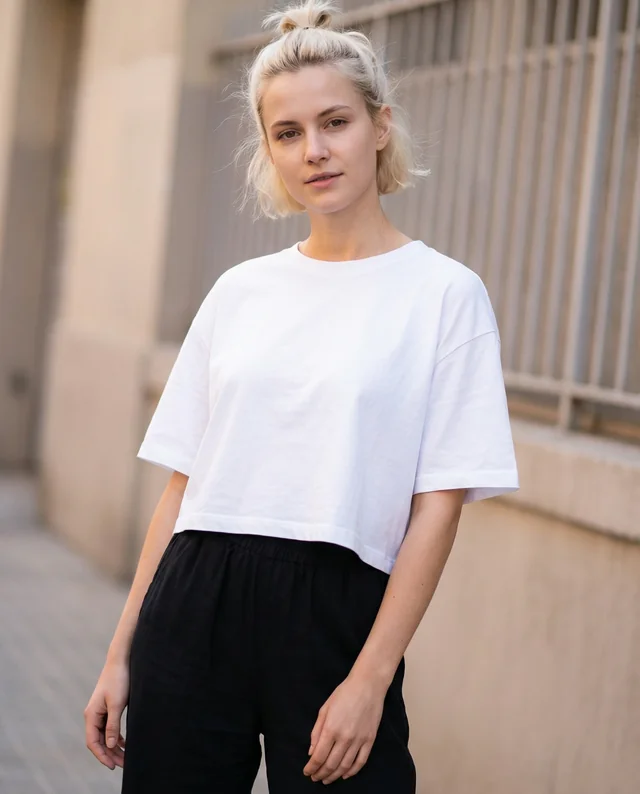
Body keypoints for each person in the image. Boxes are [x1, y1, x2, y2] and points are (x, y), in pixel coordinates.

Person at [84, 1, 519, 791]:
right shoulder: (240, 292)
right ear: (269, 150)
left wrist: (370, 680)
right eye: (288, 133)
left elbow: (439, 505)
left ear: (380, 126)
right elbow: (183, 486)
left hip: (339, 615)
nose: (314, 151)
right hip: (195, 601)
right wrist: (120, 654)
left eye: (335, 122)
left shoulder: (445, 295)